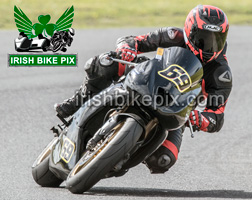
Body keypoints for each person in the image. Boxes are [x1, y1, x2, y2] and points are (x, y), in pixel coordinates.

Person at [55, 5, 232, 173]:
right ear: (190, 30)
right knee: (105, 62)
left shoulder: (220, 73)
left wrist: (201, 120)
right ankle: (79, 101)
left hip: (177, 110)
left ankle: (128, 149)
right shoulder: (174, 36)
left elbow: (217, 116)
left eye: (217, 40)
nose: (209, 45)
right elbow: (132, 41)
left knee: (163, 160)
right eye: (204, 37)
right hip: (148, 79)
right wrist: (127, 49)